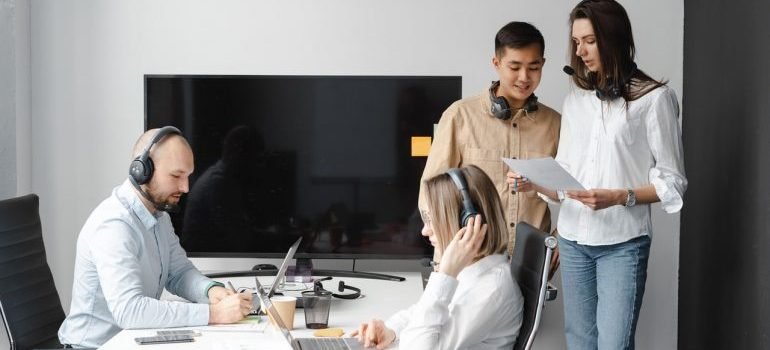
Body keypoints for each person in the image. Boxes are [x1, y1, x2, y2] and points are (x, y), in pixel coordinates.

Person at [510, 1, 687, 348]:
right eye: (576, 42)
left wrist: (621, 196)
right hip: (573, 240)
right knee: (579, 340)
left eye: (589, 40)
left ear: (613, 37)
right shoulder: (577, 97)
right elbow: (569, 174)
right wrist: (534, 183)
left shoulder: (655, 99)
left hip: (623, 245)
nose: (580, 51)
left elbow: (673, 181)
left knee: (614, 344)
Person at [58, 127, 253, 348]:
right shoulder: (114, 226)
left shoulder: (159, 215)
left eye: (188, 176)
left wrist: (212, 291)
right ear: (143, 170)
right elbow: (129, 311)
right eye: (176, 176)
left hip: (131, 342)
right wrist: (213, 313)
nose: (185, 187)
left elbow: (179, 273)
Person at [418, 21, 561, 270]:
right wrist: (444, 253)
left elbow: (574, 192)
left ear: (543, 65)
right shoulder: (459, 116)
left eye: (534, 67)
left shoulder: (556, 124)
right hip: (471, 265)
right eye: (514, 67)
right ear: (496, 63)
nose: (524, 77)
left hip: (530, 264)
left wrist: (561, 240)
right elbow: (431, 191)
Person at [353, 165, 523, 349]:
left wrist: (446, 274)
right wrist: (391, 330)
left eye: (433, 220)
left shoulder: (491, 289)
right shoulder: (474, 271)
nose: (425, 231)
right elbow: (424, 312)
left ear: (467, 222)